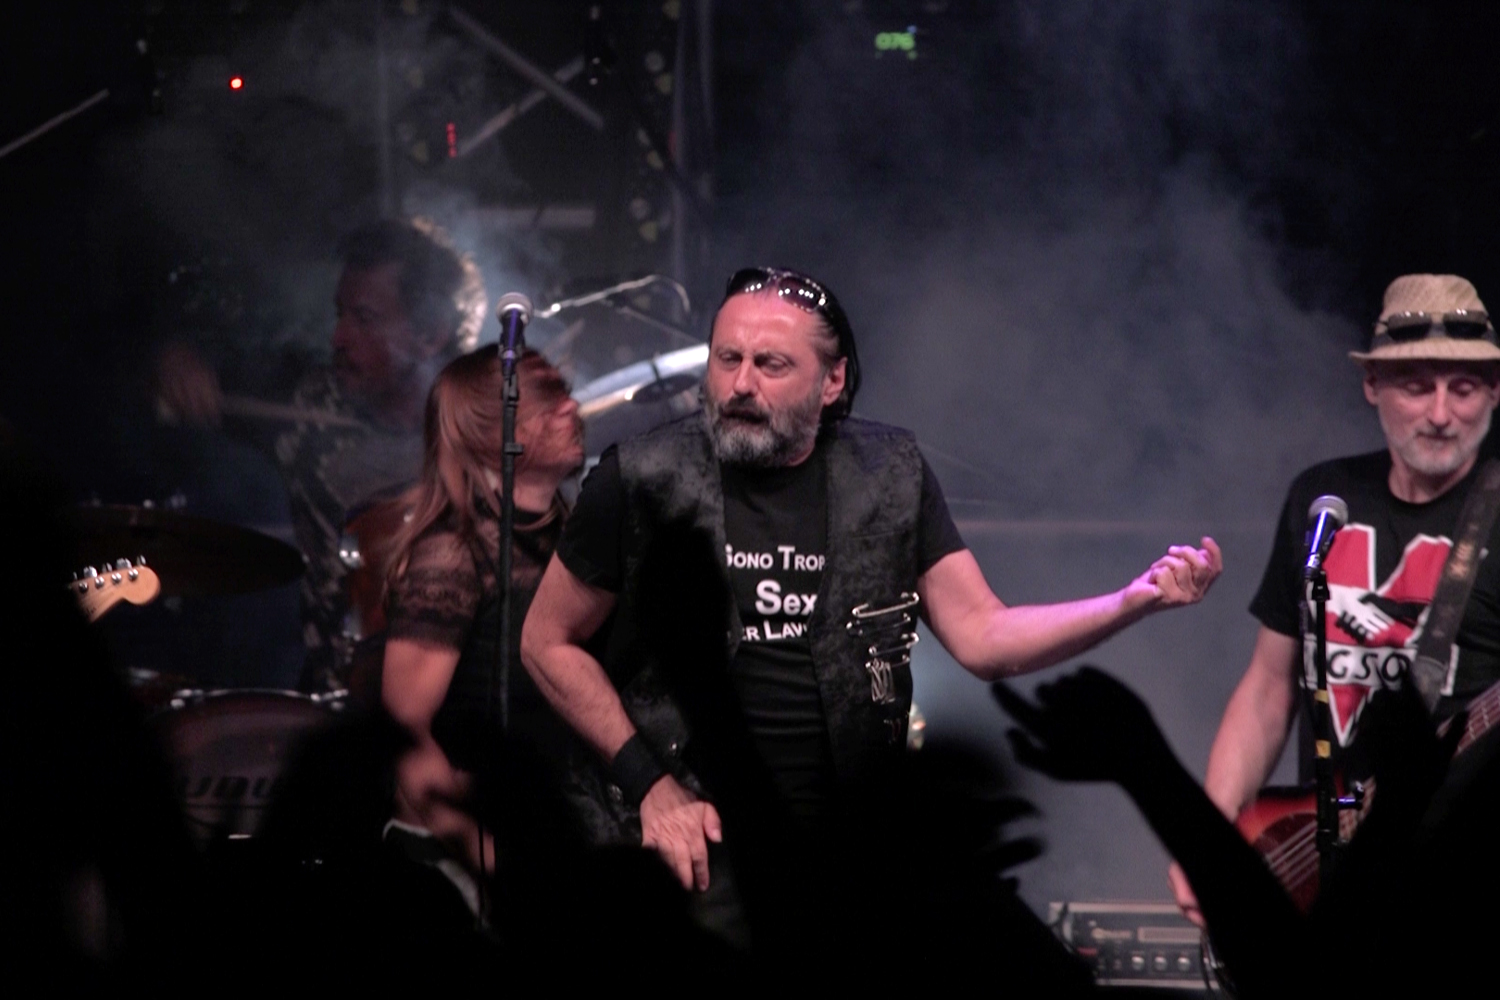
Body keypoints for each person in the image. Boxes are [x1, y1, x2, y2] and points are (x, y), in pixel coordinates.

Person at [521, 265, 1222, 897]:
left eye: (770, 364)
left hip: (846, 851)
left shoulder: (889, 475)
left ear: (832, 381)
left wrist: (1131, 601)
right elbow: (546, 642)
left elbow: (983, 636)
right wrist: (651, 786)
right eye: (727, 359)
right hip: (693, 848)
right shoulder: (642, 476)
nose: (740, 384)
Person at [1172, 273, 1500, 925]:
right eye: (1417, 386)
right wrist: (1208, 839)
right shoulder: (1323, 498)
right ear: (1372, 385)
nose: (1441, 414)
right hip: (1330, 876)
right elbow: (1269, 689)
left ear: (1495, 391)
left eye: (1463, 388)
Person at [155, 218, 487, 690]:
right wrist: (177, 354)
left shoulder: (483, 436)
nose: (338, 337)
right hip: (324, 694)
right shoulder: (303, 399)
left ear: (430, 335)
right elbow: (186, 359)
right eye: (340, 315)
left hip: (457, 694)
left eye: (364, 319)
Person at [378, 345, 584, 888]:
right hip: (461, 868)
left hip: (550, 836)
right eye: (546, 399)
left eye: (564, 391)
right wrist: (485, 856)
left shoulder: (572, 538)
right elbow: (405, 731)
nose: (571, 406)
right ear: (488, 431)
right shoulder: (453, 552)